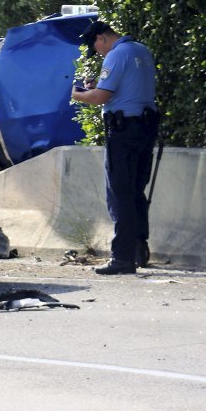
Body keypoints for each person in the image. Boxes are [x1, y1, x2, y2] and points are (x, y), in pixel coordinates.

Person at [71, 20, 159, 275]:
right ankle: (138, 249)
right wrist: (96, 88)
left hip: (124, 130)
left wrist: (77, 94)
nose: (98, 53)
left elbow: (100, 98)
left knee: (119, 192)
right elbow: (126, 89)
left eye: (95, 47)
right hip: (145, 128)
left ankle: (122, 258)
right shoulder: (141, 50)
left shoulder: (116, 54)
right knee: (135, 190)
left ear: (101, 38)